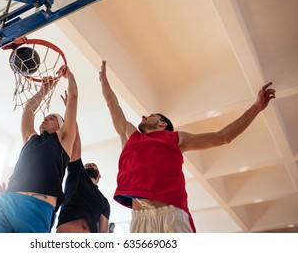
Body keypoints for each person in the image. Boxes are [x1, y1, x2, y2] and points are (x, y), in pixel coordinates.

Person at [99, 60, 276, 233]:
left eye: (151, 115)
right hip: (140, 220)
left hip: (172, 216)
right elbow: (112, 104)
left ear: (162, 124)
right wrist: (104, 81)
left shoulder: (175, 138)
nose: (144, 116)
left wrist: (256, 108)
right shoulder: (131, 136)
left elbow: (223, 137)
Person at [0, 66, 78, 233]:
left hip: (37, 207)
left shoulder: (63, 141)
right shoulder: (30, 138)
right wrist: (44, 90)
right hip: (6, 202)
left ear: (61, 127)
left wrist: (70, 77)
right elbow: (28, 110)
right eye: (46, 116)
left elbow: (73, 99)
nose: (46, 118)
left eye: (52, 118)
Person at [56, 91, 111, 233]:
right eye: (87, 164)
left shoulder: (104, 201)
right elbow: (74, 146)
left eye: (93, 165)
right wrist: (71, 112)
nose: (90, 164)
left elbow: (103, 232)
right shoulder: (77, 174)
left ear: (100, 176)